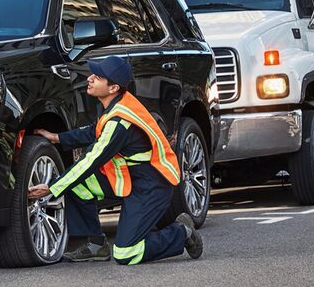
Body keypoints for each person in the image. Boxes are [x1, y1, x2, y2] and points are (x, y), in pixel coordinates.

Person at [27, 55, 203, 265]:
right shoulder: (115, 104)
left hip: (152, 186)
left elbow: (90, 161)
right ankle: (96, 245)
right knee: (76, 186)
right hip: (132, 177)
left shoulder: (119, 123)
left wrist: (52, 187)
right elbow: (95, 131)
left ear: (113, 88)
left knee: (126, 253)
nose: (90, 78)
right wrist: (57, 137)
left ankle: (181, 232)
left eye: (98, 77)